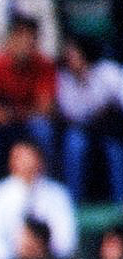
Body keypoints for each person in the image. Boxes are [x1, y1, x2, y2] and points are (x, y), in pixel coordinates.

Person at [0, 15, 55, 196]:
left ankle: (47, 188)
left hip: (27, 124)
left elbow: (46, 107)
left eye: (30, 38)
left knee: (42, 128)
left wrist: (17, 113)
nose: (25, 43)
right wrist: (3, 115)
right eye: (20, 37)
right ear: (10, 39)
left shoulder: (43, 64)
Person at [0, 139, 75, 259]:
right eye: (20, 158)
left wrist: (44, 256)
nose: (26, 163)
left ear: (41, 160)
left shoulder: (59, 194)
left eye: (30, 157)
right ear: (11, 162)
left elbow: (66, 239)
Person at [55, 38, 123, 202]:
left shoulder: (108, 71)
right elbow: (71, 113)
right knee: (74, 144)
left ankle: (119, 199)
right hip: (82, 128)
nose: (70, 59)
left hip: (111, 127)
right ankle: (74, 199)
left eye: (73, 54)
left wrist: (109, 109)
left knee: (114, 149)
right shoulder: (64, 79)